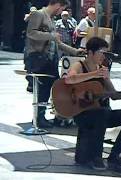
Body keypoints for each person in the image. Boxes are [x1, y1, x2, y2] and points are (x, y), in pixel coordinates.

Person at [64, 37, 121, 171]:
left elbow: (113, 95)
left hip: (102, 113)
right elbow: (69, 79)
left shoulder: (102, 70)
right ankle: (97, 157)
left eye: (106, 53)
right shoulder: (79, 65)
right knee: (102, 113)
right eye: (101, 52)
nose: (104, 56)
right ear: (90, 53)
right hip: (83, 115)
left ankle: (114, 156)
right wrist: (94, 74)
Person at [25, 0, 84, 128]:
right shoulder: (38, 14)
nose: (61, 11)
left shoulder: (50, 18)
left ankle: (46, 116)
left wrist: (74, 51)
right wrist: (51, 35)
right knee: (49, 87)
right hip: (38, 58)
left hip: (49, 59)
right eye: (62, 8)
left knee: (54, 86)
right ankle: (41, 117)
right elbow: (31, 33)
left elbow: (57, 42)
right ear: (58, 5)